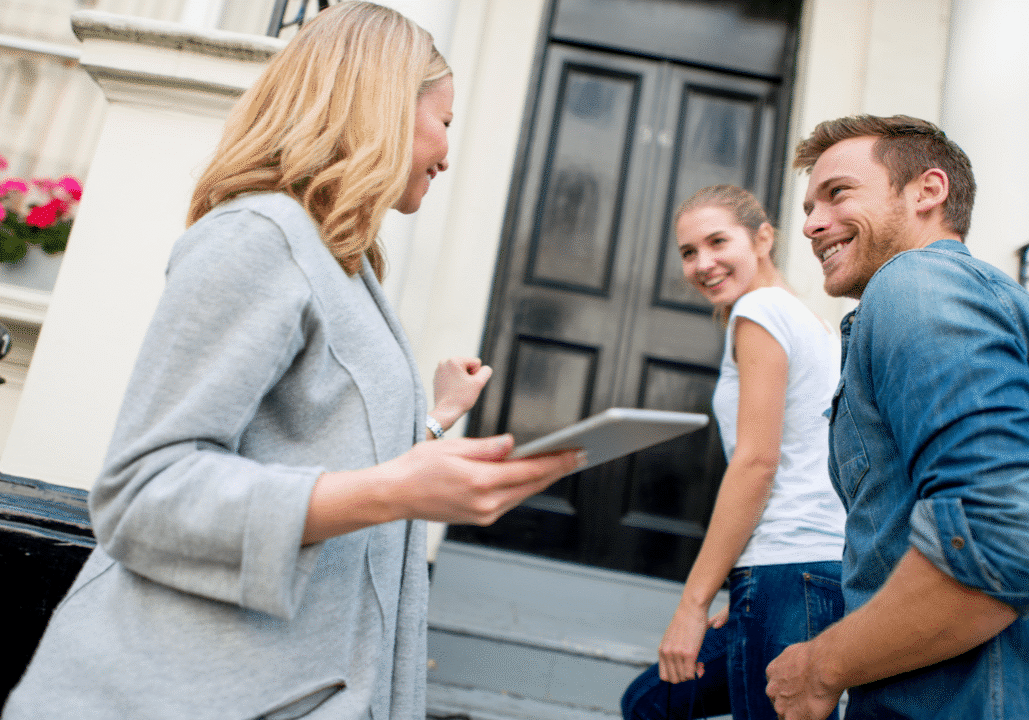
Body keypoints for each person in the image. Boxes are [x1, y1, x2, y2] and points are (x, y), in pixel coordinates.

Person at [1, 3, 583, 718]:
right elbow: (142, 493)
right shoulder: (258, 236)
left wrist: (431, 423)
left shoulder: (342, 263)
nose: (447, 152)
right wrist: (396, 492)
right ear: (382, 108)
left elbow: (311, 454)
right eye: (446, 123)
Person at [765, 114, 1029, 720]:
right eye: (809, 206)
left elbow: (1000, 535)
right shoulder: (969, 296)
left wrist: (820, 666)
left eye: (837, 193)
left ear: (927, 192)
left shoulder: (916, 284)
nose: (811, 224)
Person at [621, 185, 846, 720]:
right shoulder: (808, 320)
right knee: (651, 701)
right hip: (807, 569)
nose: (703, 263)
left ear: (763, 238)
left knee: (653, 704)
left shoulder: (760, 311)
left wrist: (692, 606)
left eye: (718, 241)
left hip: (788, 567)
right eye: (688, 252)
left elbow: (757, 462)